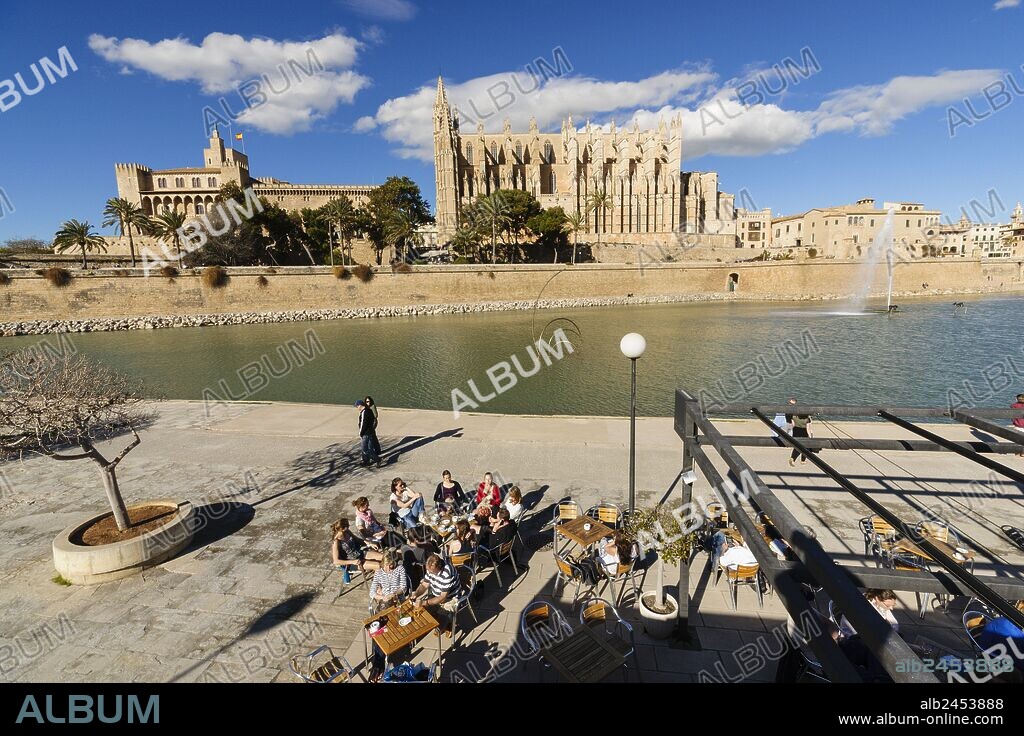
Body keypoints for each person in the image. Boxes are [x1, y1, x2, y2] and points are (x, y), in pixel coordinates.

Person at [411, 554, 461, 637]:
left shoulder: (447, 573)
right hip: (435, 594)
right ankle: (445, 621)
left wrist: (424, 602)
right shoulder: (430, 568)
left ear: (439, 568)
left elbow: (442, 597)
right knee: (422, 612)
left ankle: (448, 623)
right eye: (428, 571)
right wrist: (416, 594)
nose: (429, 573)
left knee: (439, 624)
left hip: (451, 598)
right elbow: (424, 585)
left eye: (432, 572)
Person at [331, 518, 382, 584]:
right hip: (352, 562)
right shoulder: (336, 542)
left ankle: (378, 576)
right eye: (347, 526)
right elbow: (336, 561)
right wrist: (353, 561)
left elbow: (358, 540)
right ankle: (378, 585)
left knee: (383, 557)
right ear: (342, 528)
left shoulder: (347, 532)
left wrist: (369, 543)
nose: (349, 527)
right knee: (377, 565)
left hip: (359, 553)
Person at [785, 398, 813, 466]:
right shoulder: (807, 419)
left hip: (796, 430)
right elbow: (808, 428)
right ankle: (803, 460)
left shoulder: (794, 417)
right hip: (804, 432)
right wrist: (810, 436)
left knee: (797, 445)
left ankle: (793, 458)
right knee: (806, 446)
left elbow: (793, 424)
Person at [356, 399, 381, 468]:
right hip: (370, 432)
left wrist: (361, 433)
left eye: (357, 406)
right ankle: (367, 461)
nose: (357, 408)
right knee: (370, 448)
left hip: (366, 433)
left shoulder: (364, 412)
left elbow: (363, 424)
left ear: (360, 405)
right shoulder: (369, 411)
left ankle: (377, 459)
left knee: (365, 449)